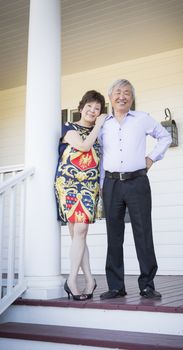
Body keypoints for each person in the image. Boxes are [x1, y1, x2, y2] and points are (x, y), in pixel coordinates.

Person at [99, 79, 172, 300]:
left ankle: (147, 285)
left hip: (137, 182)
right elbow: (100, 154)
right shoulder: (103, 124)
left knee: (143, 232)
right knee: (114, 235)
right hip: (111, 184)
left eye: (127, 93)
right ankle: (115, 286)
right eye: (118, 92)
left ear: (132, 98)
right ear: (110, 97)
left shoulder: (142, 118)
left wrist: (151, 158)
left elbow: (165, 136)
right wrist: (102, 184)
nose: (123, 96)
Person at [54, 90, 106, 301]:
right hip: (69, 183)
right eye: (90, 106)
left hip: (90, 185)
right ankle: (73, 280)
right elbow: (84, 147)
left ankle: (89, 280)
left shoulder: (100, 134)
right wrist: (99, 126)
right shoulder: (69, 127)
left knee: (79, 234)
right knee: (80, 232)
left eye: (97, 109)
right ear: (82, 106)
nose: (93, 111)